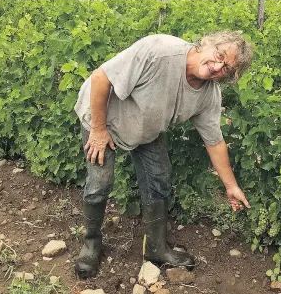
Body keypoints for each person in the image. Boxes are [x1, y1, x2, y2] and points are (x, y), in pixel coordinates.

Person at [74, 31, 253, 279]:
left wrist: (231, 186)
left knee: (159, 179)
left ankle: (156, 248)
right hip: (104, 117)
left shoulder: (208, 95)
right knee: (100, 182)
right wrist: (98, 129)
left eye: (226, 68)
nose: (217, 66)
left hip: (146, 127)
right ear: (207, 43)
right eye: (219, 55)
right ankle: (91, 243)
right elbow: (101, 78)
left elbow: (214, 141)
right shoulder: (159, 51)